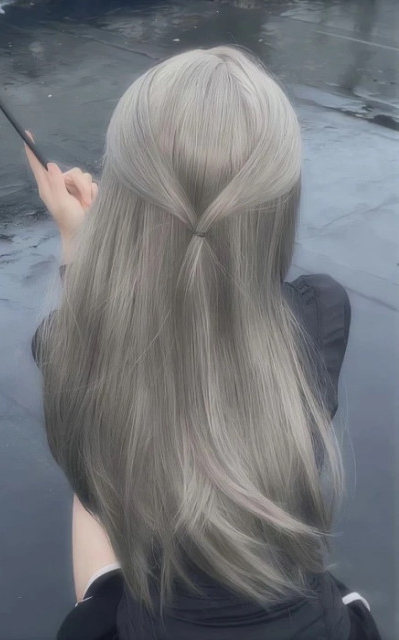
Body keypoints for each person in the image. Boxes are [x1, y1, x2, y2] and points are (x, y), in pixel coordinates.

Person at [25, 46, 382, 640]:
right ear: (278, 208)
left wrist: (82, 255)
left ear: (126, 210)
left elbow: (98, 501)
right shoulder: (318, 317)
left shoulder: (71, 351)